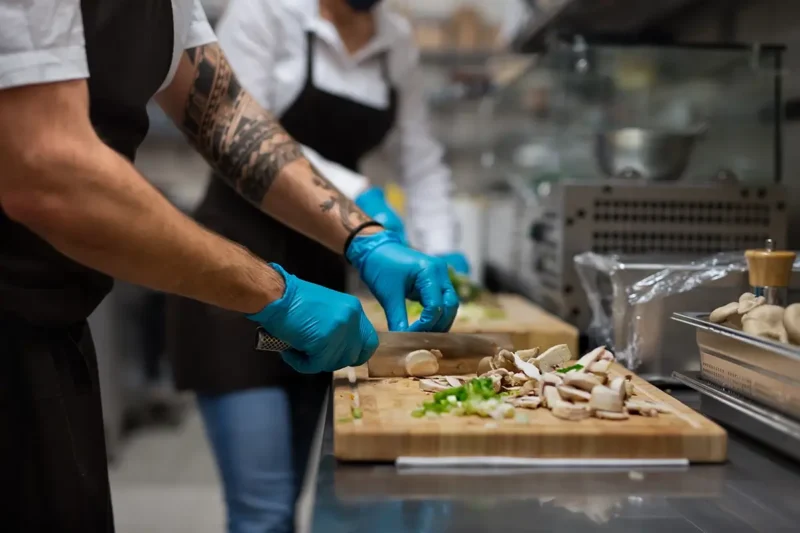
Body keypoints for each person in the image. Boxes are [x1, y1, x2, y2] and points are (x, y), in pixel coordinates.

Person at [0, 1, 458, 531]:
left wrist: (362, 236)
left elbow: (223, 113)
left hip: (52, 328)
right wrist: (274, 292)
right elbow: (49, 171)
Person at [166, 0, 469, 531]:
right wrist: (360, 202)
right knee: (263, 511)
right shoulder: (266, 12)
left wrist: (440, 247)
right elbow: (239, 127)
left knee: (304, 491)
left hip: (324, 292)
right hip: (236, 280)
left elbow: (419, 158)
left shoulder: (395, 39)